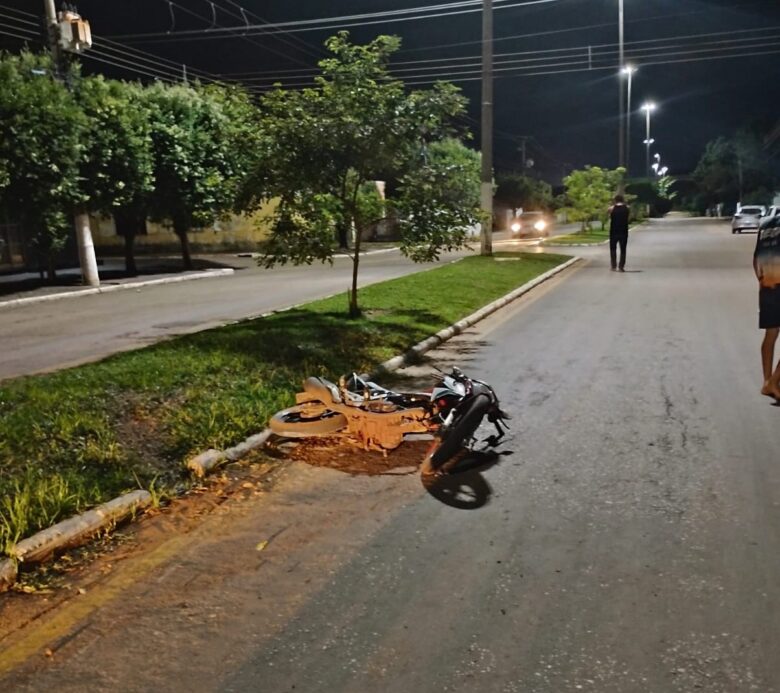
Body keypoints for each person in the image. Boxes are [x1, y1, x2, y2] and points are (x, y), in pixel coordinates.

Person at [754, 214, 780, 400]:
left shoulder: (766, 225)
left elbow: (755, 260)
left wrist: (764, 282)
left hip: (768, 284)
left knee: (771, 333)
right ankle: (773, 382)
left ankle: (767, 381)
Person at [608, 194, 630, 271]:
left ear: (615, 200)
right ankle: (621, 266)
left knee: (613, 248)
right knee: (623, 249)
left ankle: (613, 265)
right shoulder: (627, 208)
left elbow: (609, 215)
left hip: (614, 231)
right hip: (623, 231)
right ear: (623, 200)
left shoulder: (611, 208)